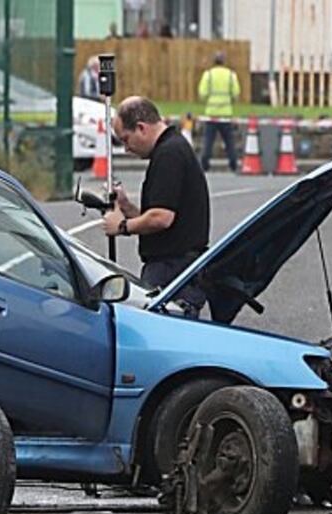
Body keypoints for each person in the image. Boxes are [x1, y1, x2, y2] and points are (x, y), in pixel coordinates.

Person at [101, 97, 210, 316]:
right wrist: (128, 207)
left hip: (171, 268)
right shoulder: (172, 148)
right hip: (177, 265)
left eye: (126, 139)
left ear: (141, 128)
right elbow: (162, 213)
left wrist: (122, 226)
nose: (127, 149)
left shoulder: (169, 154)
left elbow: (162, 218)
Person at [197, 51, 240, 172]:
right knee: (229, 142)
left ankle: (205, 164)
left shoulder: (208, 75)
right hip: (226, 113)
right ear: (224, 61)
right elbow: (236, 94)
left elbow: (202, 93)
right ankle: (233, 164)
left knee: (208, 142)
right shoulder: (231, 75)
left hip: (211, 113)